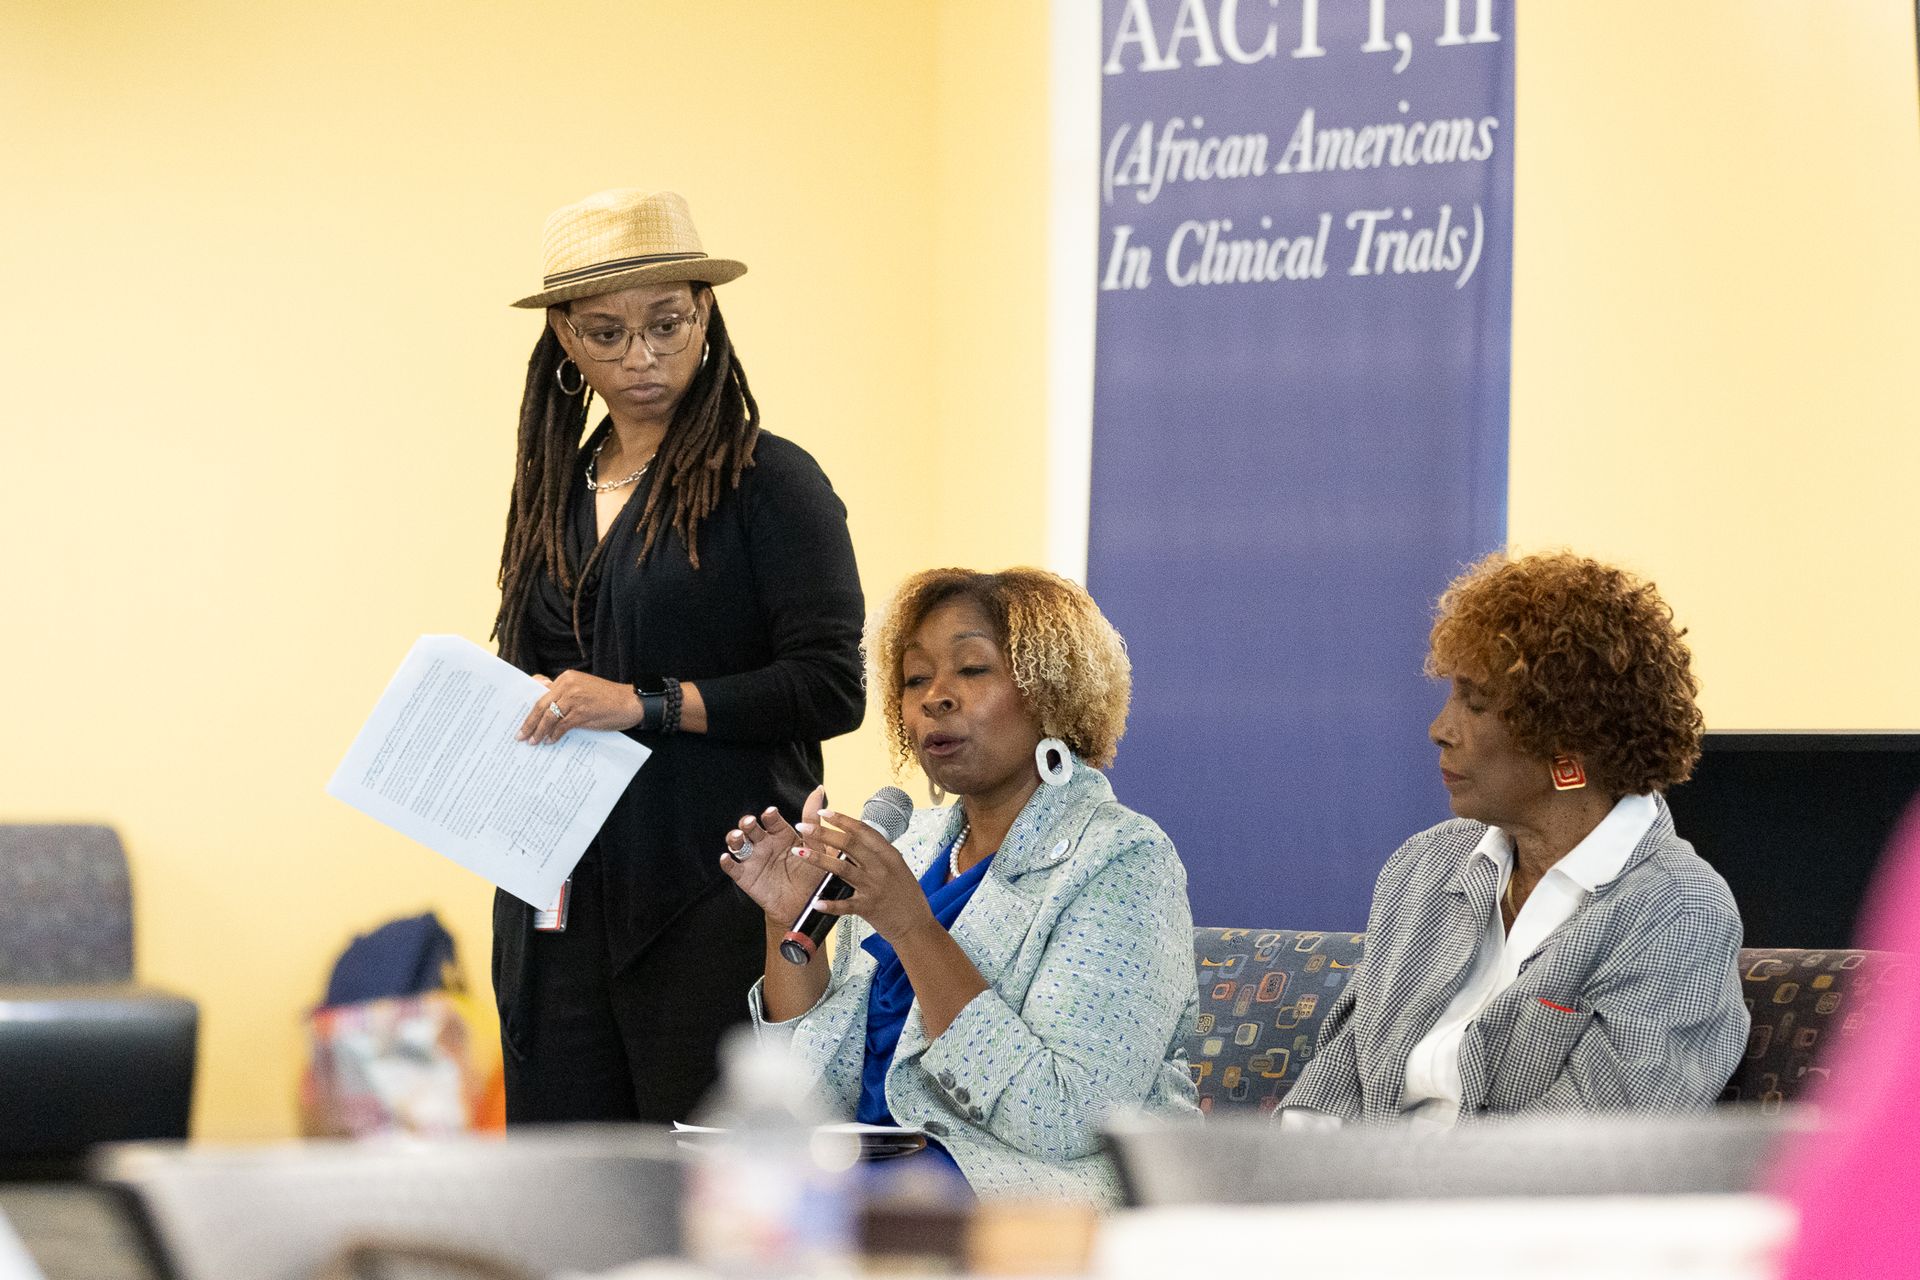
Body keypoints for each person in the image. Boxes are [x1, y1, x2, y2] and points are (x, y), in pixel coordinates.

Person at [490, 188, 864, 1123]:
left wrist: (648, 703)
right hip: (558, 893)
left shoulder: (769, 481)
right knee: (568, 1192)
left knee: (700, 1187)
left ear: (706, 314)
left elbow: (831, 684)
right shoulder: (556, 487)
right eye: (607, 334)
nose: (643, 356)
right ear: (565, 342)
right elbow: (541, 670)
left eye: (668, 323)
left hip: (712, 890)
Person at [720, 568, 1199, 1203]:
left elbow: (1064, 1118)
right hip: (863, 1178)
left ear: (1053, 692)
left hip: (1032, 1196)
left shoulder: (1121, 859)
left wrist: (913, 929)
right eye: (915, 679)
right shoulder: (907, 851)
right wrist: (789, 924)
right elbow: (814, 1094)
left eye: (971, 670)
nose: (935, 697)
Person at [1280, 552, 1748, 1126]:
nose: (1440, 729)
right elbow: (1335, 1083)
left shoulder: (1678, 913)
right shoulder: (1425, 866)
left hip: (1494, 1210)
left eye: (1475, 703)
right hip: (1347, 1202)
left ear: (1566, 738)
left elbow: (1579, 1159)